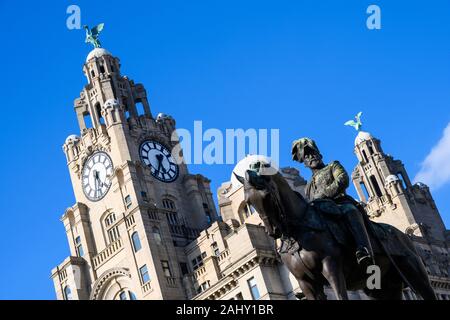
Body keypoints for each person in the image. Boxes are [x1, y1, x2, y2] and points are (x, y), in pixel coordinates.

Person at [292, 138, 373, 266]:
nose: (311, 157)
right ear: (305, 164)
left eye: (313, 153)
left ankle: (364, 249)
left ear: (320, 155)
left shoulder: (333, 166)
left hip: (339, 203)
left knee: (350, 211)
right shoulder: (308, 187)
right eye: (307, 156)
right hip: (321, 212)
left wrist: (324, 194)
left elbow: (342, 180)